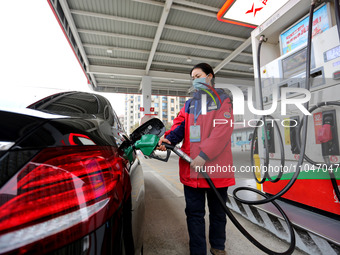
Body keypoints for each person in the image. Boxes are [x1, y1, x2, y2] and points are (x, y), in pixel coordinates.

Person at [158, 63, 235, 255]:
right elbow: (180, 126)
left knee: (218, 214)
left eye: (198, 76)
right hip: (192, 170)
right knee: (194, 214)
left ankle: (218, 247)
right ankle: (197, 251)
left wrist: (204, 155)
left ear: (209, 76)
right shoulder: (190, 103)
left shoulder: (223, 99)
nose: (195, 80)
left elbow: (223, 130)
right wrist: (168, 138)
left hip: (215, 170)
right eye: (192, 78)